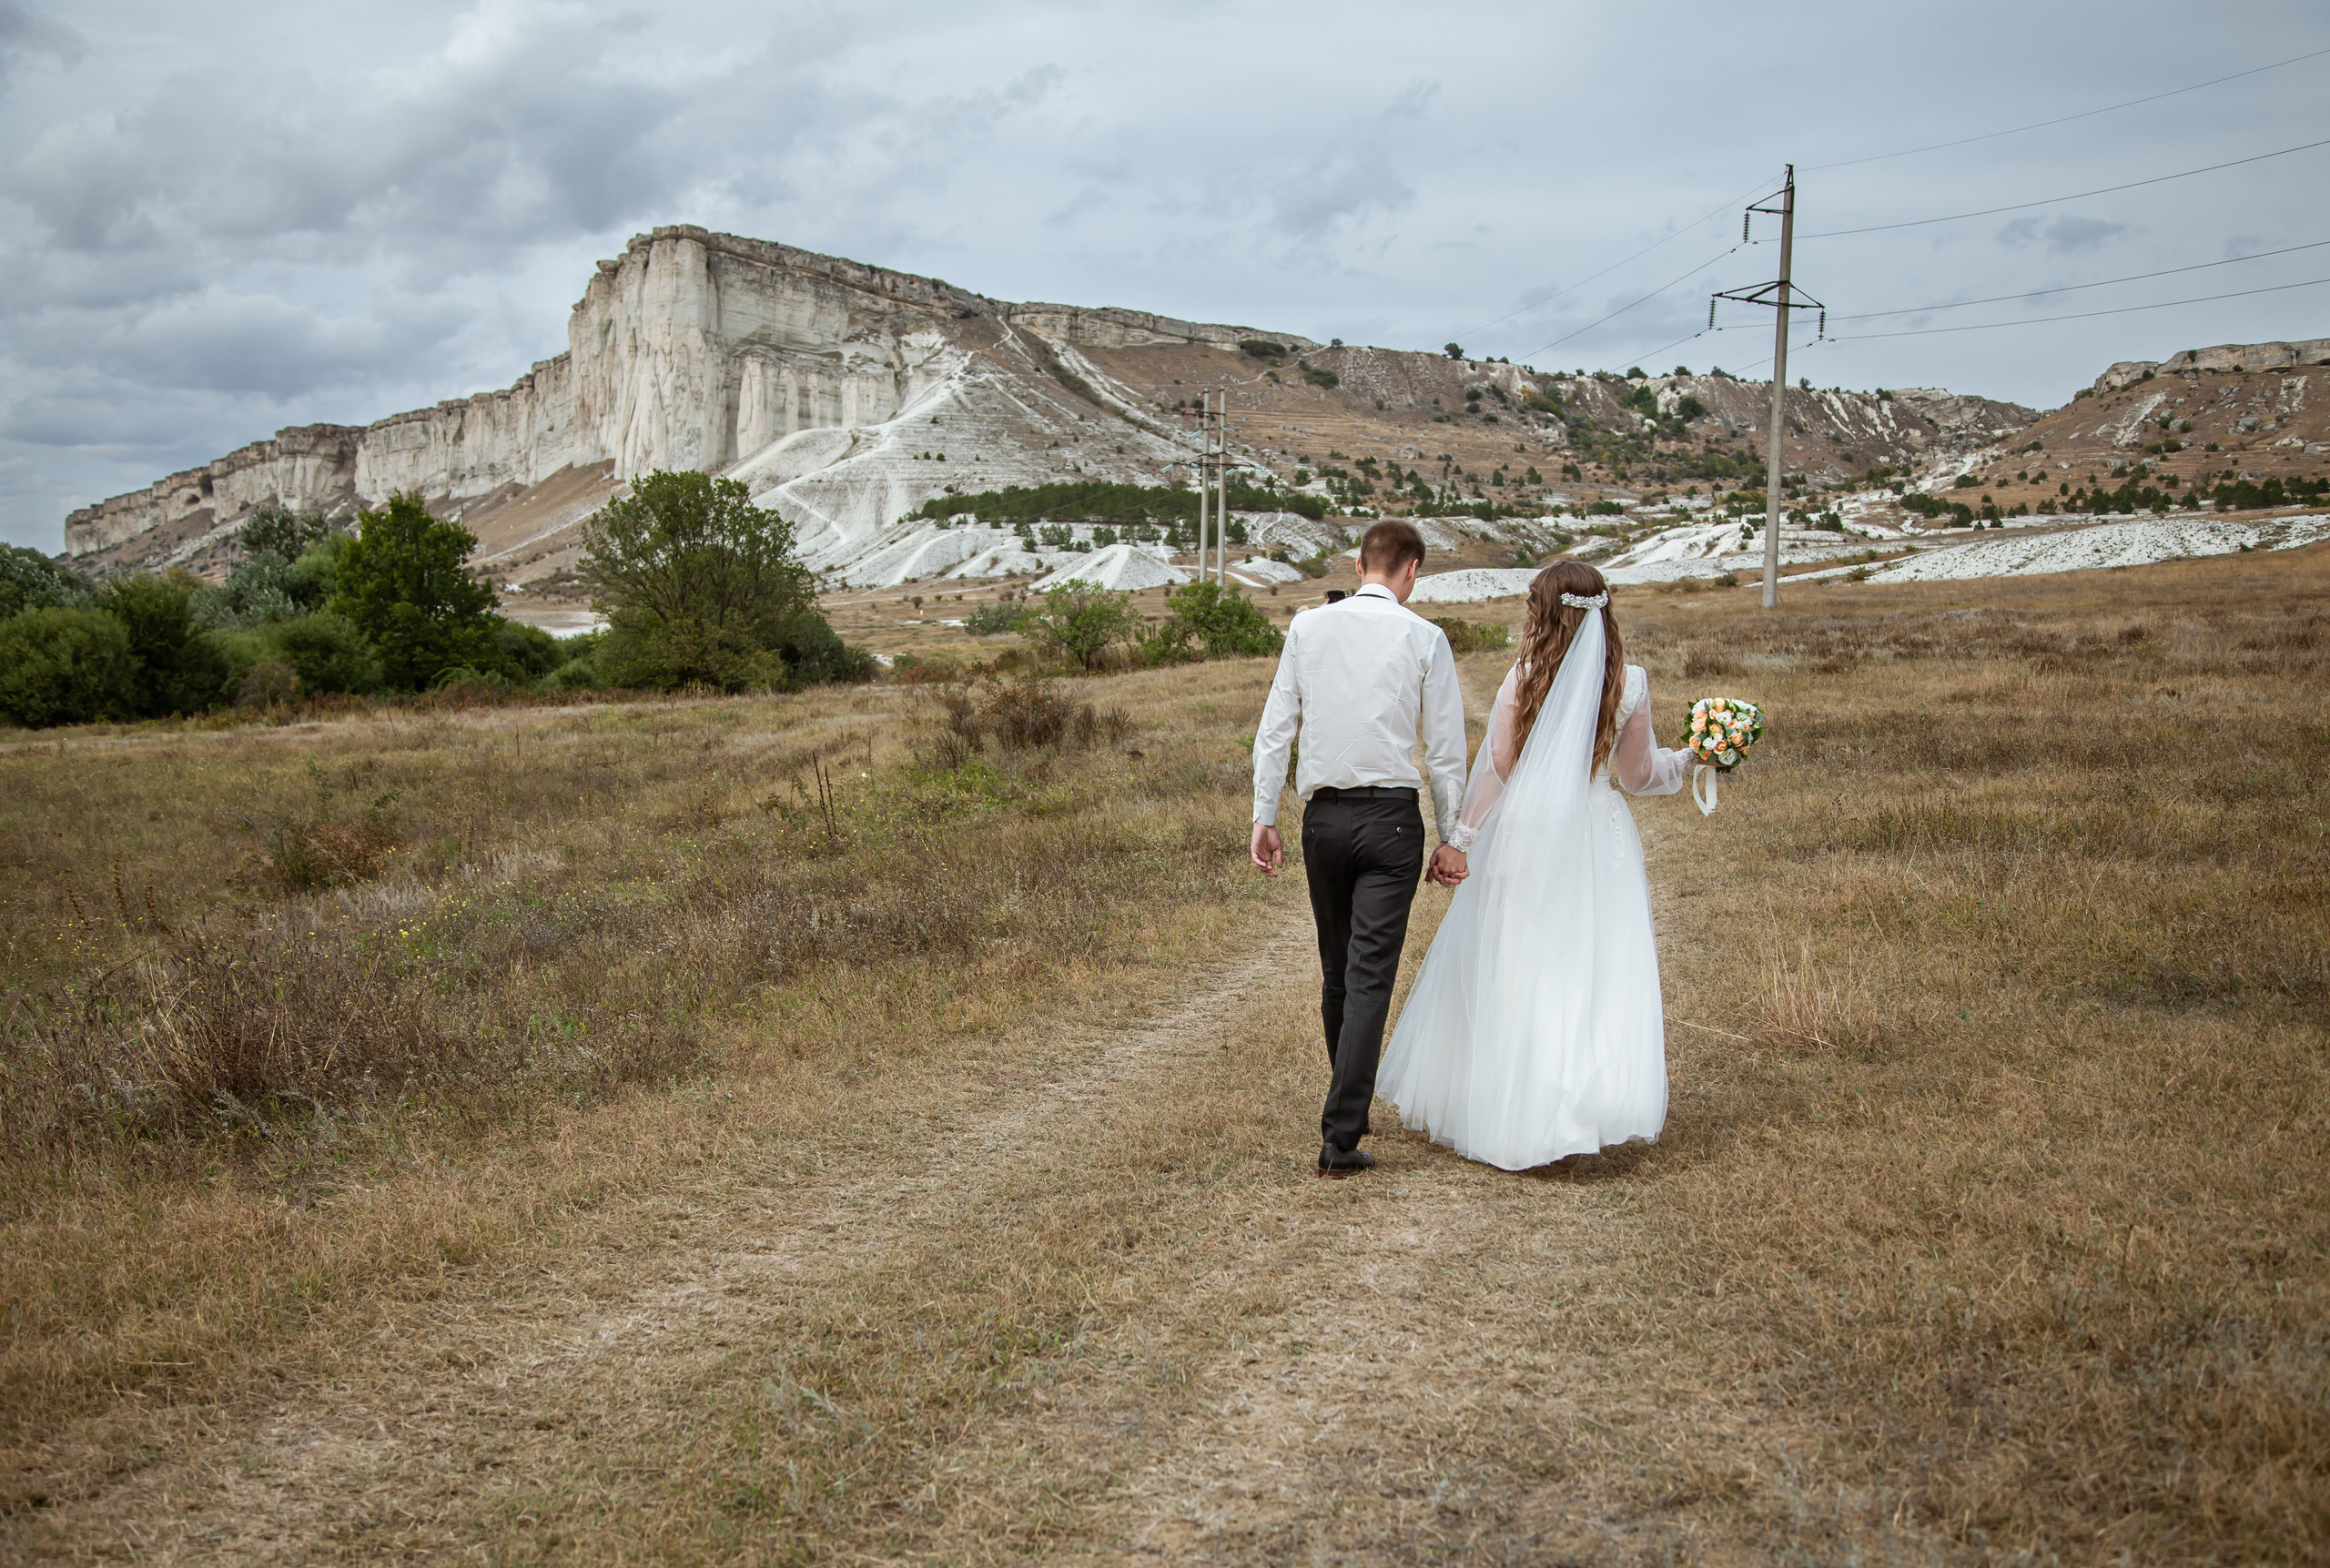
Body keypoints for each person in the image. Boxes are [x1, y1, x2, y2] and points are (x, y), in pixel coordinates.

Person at [1375, 560, 1698, 1171]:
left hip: (1526, 832)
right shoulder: (1629, 683)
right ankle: (1578, 1107)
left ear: (1545, 614)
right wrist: (1689, 759)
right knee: (1591, 965)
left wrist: (1462, 838)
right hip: (1597, 833)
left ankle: (1515, 1107)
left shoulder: (1524, 676)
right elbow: (1637, 775)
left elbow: (1499, 764)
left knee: (1523, 960)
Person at [1250, 520, 1469, 1178]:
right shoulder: (1425, 637)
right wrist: (1453, 836)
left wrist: (1265, 815)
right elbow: (1446, 751)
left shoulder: (1306, 628)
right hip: (1392, 823)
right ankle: (1341, 1134)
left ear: (1357, 564)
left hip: (1323, 820)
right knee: (1369, 974)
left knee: (1338, 970)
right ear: (1413, 569)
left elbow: (1276, 728)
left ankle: (1346, 1109)